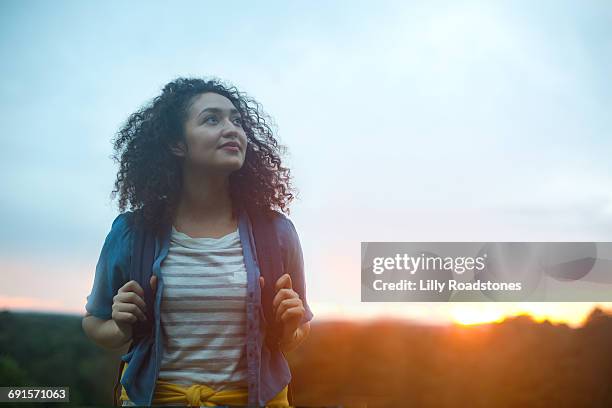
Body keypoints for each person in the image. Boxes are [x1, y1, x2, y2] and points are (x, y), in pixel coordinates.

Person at [81, 77, 314, 407]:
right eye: (212, 119)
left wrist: (291, 328)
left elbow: (295, 333)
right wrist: (119, 328)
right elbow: (93, 321)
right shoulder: (132, 232)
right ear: (177, 144)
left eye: (237, 120)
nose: (232, 129)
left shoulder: (277, 233)